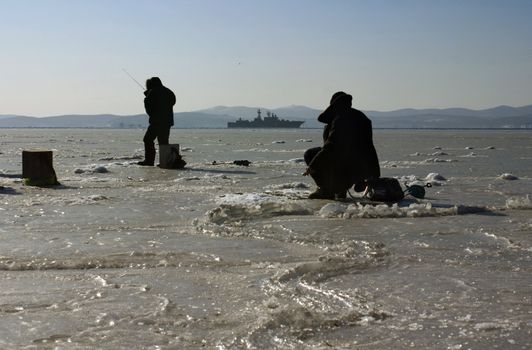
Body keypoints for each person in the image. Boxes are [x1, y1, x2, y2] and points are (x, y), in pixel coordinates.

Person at [303, 91, 380, 199]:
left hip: (346, 169)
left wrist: (312, 165)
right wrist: (373, 174)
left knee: (310, 154)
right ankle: (339, 189)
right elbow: (368, 148)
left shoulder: (341, 119)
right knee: (335, 155)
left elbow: (331, 145)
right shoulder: (361, 117)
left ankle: (326, 190)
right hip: (361, 169)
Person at [138, 77, 176, 166]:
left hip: (156, 122)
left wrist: (147, 97)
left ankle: (149, 161)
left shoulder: (152, 92)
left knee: (148, 140)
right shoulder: (169, 92)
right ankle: (165, 162)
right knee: (163, 142)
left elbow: (149, 110)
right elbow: (173, 102)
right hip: (167, 121)